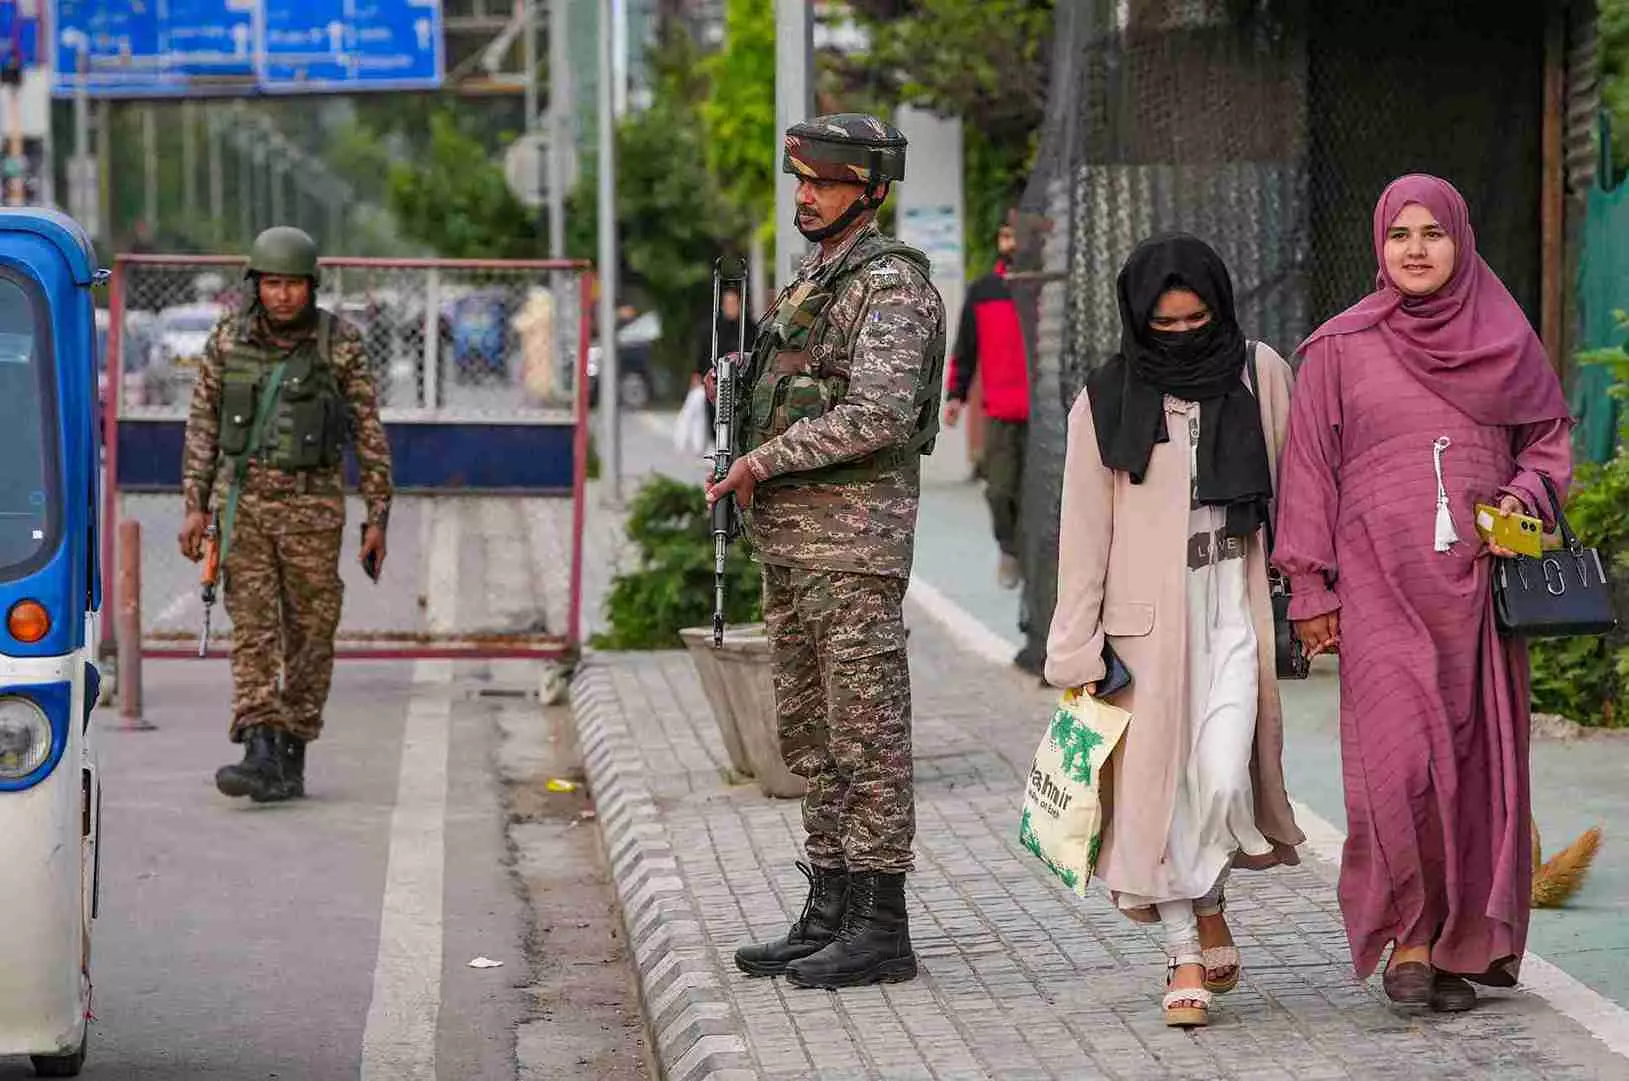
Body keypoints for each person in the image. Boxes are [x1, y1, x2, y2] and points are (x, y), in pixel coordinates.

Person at [1273, 175, 1573, 1012]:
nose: (1413, 248)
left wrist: (1519, 498)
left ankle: (1452, 949)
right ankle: (1406, 937)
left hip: (1476, 596)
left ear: (1459, 240)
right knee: (1393, 770)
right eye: (1398, 233)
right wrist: (1309, 589)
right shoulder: (1337, 347)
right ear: (1379, 244)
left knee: (1475, 773)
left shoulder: (1505, 340)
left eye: (1430, 233)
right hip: (1378, 592)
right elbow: (1307, 474)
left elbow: (1546, 444)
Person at [705, 113, 946, 990]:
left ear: (868, 188)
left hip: (853, 547)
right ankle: (830, 906)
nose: (804, 196)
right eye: (800, 181)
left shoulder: (889, 287)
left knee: (867, 735)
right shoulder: (814, 278)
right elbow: (803, 388)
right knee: (814, 736)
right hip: (794, 543)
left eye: (822, 182)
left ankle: (882, 923)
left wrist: (762, 456)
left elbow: (878, 414)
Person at [1045, 233, 1304, 1028]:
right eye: (1166, 323)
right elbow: (1084, 533)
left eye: (1196, 318)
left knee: (1223, 775)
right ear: (1138, 317)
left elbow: (1295, 490)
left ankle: (1210, 891)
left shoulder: (1259, 372)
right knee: (1156, 795)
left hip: (1231, 595)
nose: (1183, 331)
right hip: (1142, 622)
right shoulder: (1104, 397)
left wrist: (1315, 594)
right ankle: (1183, 948)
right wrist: (1074, 651)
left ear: (1218, 308)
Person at [177, 226, 394, 804]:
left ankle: (293, 745)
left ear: (310, 287)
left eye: (293, 285)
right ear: (256, 286)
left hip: (313, 508)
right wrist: (194, 506)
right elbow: (202, 426)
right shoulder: (226, 342)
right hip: (243, 505)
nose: (282, 296)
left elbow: (368, 432)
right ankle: (258, 747)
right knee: (253, 628)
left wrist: (378, 515)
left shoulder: (337, 345)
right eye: (272, 284)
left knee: (311, 631)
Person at [944, 222, 1031, 592]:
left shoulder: (1047, 287)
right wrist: (955, 397)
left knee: (1041, 495)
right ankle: (1009, 548)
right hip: (999, 412)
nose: (1010, 242)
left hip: (1047, 416)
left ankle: (1040, 562)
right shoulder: (983, 292)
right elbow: (965, 349)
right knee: (999, 491)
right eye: (1005, 234)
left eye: (1017, 234)